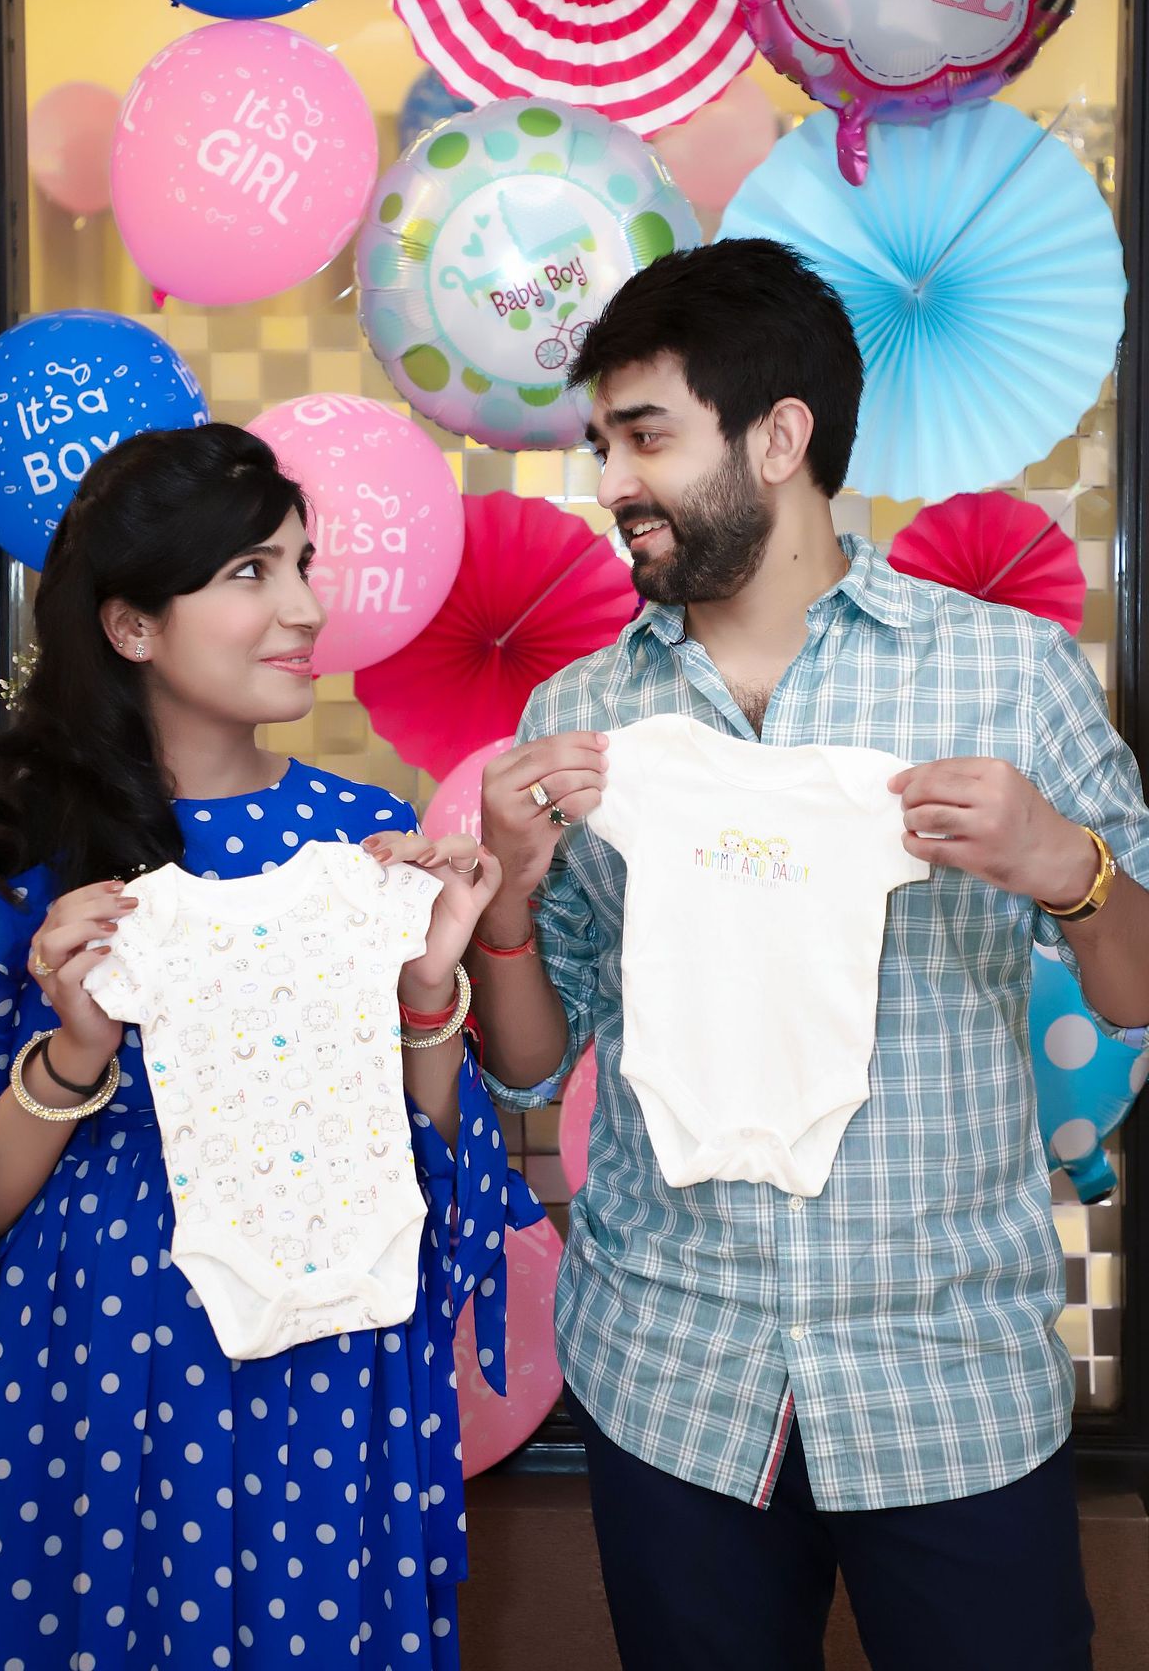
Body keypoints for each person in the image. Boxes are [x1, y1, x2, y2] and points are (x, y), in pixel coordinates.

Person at [468, 239, 1149, 1671]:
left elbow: (1139, 991)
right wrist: (509, 901)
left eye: (645, 436)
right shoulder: (587, 716)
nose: (611, 481)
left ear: (779, 438)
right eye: (602, 444)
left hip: (948, 1377)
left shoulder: (1005, 675)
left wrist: (1065, 867)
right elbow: (533, 1063)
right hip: (669, 1369)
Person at [0, 422, 538, 1670]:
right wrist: (72, 1057)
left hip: (325, 1350)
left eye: (304, 565)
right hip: (95, 1355)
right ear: (131, 625)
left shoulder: (360, 840)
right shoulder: (7, 864)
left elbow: (429, 1159)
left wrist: (428, 990)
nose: (308, 609)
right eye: (251, 573)